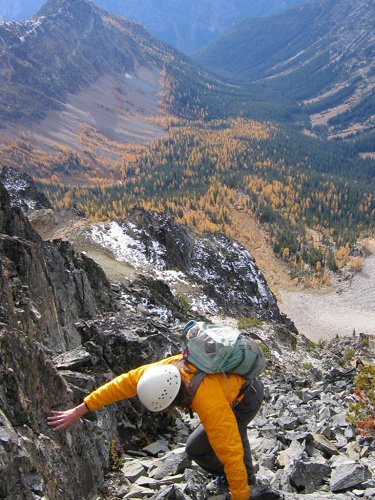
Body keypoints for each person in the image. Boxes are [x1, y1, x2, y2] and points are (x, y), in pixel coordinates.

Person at [48, 353, 264, 500]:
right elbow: (120, 385)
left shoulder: (207, 403)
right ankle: (239, 479)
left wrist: (239, 495)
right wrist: (80, 410)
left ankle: (246, 483)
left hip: (247, 397)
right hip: (226, 395)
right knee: (194, 449)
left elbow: (230, 448)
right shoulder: (159, 372)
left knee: (230, 436)